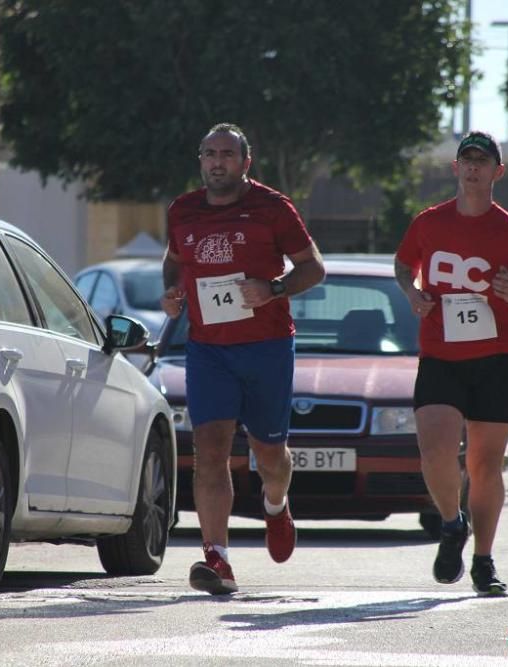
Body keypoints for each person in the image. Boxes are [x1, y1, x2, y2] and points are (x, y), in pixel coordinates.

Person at [160, 123, 326, 594]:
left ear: (245, 162)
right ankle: (218, 560)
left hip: (267, 348)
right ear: (200, 160)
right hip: (208, 349)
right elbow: (175, 260)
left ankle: (276, 504)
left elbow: (314, 268)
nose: (217, 162)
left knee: (269, 454)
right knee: (209, 453)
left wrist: (272, 289)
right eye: (209, 153)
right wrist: (171, 293)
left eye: (227, 154)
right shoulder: (183, 209)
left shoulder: (272, 208)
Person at [394, 130, 508, 597]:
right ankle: (451, 523)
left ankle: (484, 561)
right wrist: (412, 293)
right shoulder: (429, 223)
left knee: (486, 465)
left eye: (482, 161)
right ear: (455, 168)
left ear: (497, 172)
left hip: (496, 360)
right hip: (442, 356)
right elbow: (404, 265)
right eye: (466, 159)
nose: (472, 167)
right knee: (436, 452)